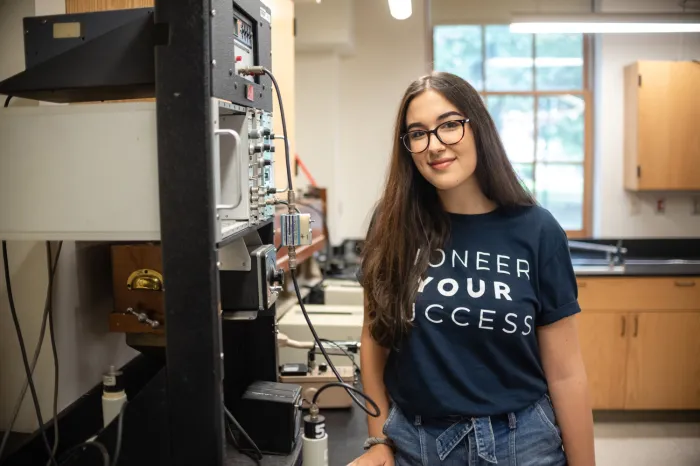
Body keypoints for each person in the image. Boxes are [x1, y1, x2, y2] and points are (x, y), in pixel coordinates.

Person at [348, 72, 595, 466]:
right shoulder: (391, 225)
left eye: (449, 125)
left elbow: (566, 373)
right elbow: (373, 341)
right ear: (408, 147)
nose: (435, 145)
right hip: (417, 445)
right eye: (418, 133)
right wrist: (377, 440)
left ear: (478, 126)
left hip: (525, 445)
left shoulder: (538, 230)